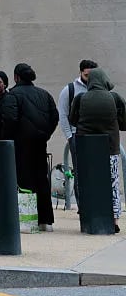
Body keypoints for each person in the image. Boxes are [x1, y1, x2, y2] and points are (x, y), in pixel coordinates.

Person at [1, 63, 59, 231]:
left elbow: (10, 119)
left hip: (20, 145)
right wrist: (45, 133)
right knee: (42, 179)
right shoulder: (44, 94)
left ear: (16, 77)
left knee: (24, 181)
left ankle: (27, 220)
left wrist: (9, 138)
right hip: (40, 143)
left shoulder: (12, 95)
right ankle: (45, 220)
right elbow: (54, 117)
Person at [69, 67, 126, 233]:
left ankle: (88, 219)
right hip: (111, 150)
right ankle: (114, 220)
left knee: (87, 184)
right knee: (112, 186)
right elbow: (124, 123)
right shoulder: (114, 98)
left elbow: (73, 120)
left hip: (86, 151)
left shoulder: (80, 98)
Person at [60, 60, 98, 201]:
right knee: (81, 173)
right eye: (87, 75)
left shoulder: (100, 89)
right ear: (81, 72)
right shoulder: (70, 90)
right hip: (77, 135)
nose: (90, 78)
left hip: (97, 135)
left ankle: (96, 203)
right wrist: (70, 137)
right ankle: (83, 205)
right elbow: (63, 115)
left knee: (97, 171)